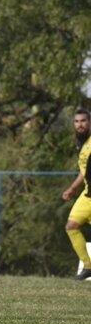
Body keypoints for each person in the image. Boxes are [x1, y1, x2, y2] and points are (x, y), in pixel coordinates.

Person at [62, 108, 91, 280]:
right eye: (77, 121)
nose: (80, 124)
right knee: (71, 226)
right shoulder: (81, 142)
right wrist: (72, 189)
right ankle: (88, 266)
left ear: (90, 122)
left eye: (83, 121)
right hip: (87, 195)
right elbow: (84, 171)